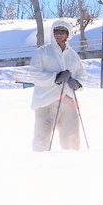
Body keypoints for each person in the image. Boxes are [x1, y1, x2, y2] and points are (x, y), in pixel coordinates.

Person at [28, 19, 86, 151]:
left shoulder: (73, 55)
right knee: (41, 137)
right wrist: (56, 77)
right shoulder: (42, 52)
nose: (59, 34)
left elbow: (82, 75)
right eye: (56, 31)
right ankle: (39, 163)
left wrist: (76, 83)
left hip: (67, 100)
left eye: (62, 32)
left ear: (68, 34)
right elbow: (34, 74)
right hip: (45, 100)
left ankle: (72, 162)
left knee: (71, 136)